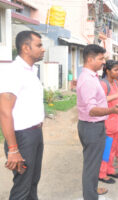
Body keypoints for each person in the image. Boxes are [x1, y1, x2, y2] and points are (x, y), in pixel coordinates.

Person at [76, 44, 118, 199]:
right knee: (92, 167)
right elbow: (91, 109)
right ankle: (90, 196)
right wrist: (111, 110)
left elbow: (99, 101)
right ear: (90, 59)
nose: (103, 62)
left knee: (93, 164)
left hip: (94, 125)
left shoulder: (92, 77)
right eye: (101, 58)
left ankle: (92, 192)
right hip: (92, 126)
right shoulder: (88, 80)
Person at [0, 31, 45, 200]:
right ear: (26, 48)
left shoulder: (30, 70)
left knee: (33, 181)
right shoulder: (13, 71)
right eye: (39, 45)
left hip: (35, 133)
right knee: (22, 187)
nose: (43, 49)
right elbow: (4, 111)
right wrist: (13, 149)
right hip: (22, 137)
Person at [98, 60, 118, 183]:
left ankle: (110, 169)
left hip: (116, 121)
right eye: (116, 69)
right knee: (106, 149)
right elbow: (101, 100)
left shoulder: (117, 83)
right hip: (107, 122)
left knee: (112, 148)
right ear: (107, 70)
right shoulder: (103, 84)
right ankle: (101, 173)